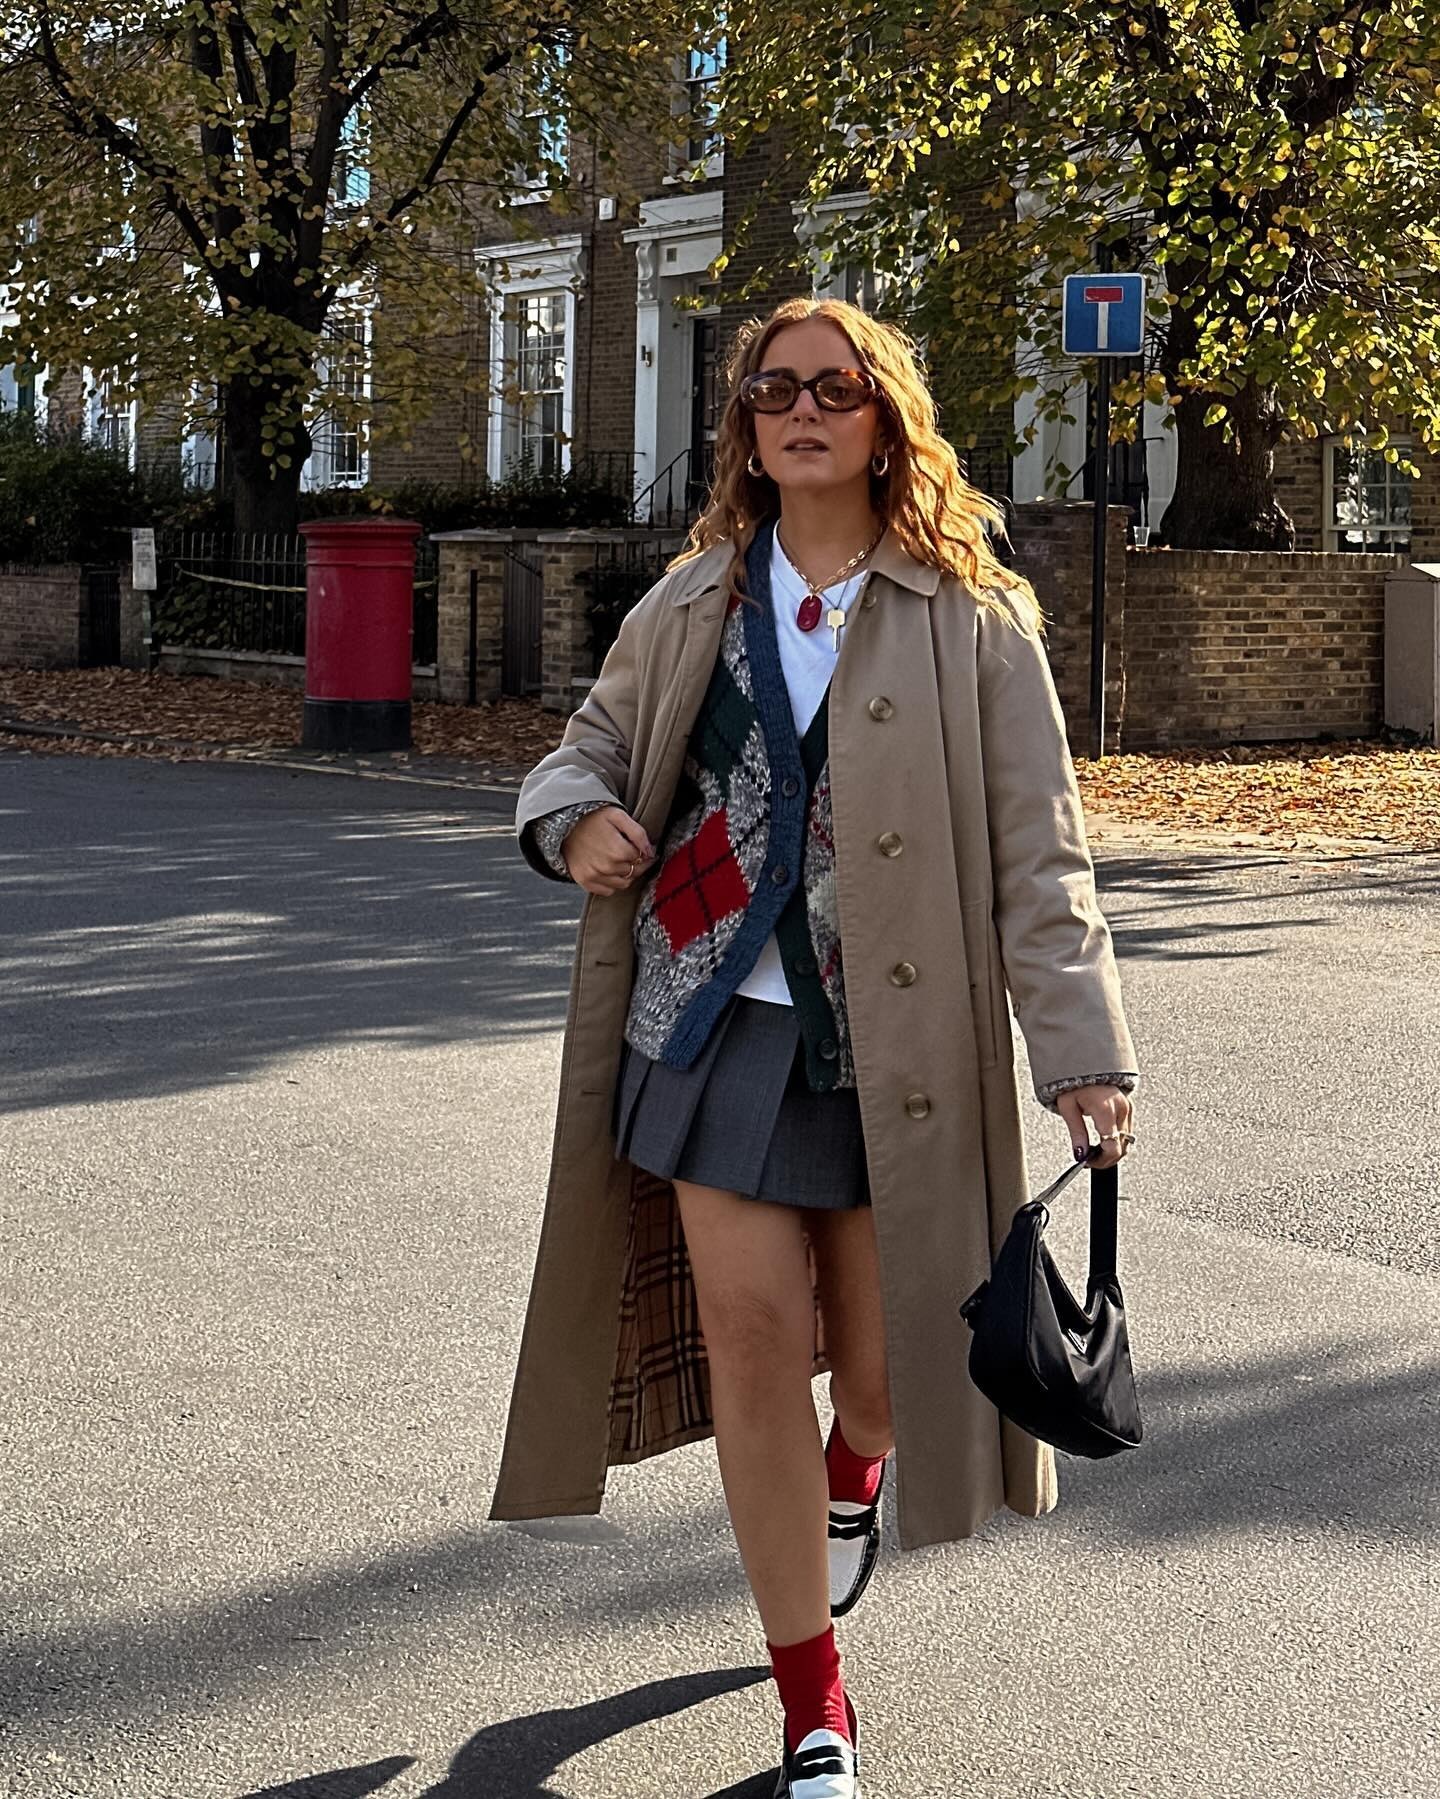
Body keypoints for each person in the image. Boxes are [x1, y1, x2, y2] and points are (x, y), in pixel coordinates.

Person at [492, 297, 1139, 1799]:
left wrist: (1082, 1052)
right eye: (773, 390)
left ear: (882, 417)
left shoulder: (972, 621)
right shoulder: (690, 603)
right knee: (753, 1349)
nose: (801, 411)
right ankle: (813, 1700)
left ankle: (857, 1473)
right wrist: (572, 816)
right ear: (745, 427)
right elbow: (584, 743)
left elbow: (1046, 861)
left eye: (834, 389)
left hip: (890, 1052)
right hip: (707, 1029)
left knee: (893, 1378)